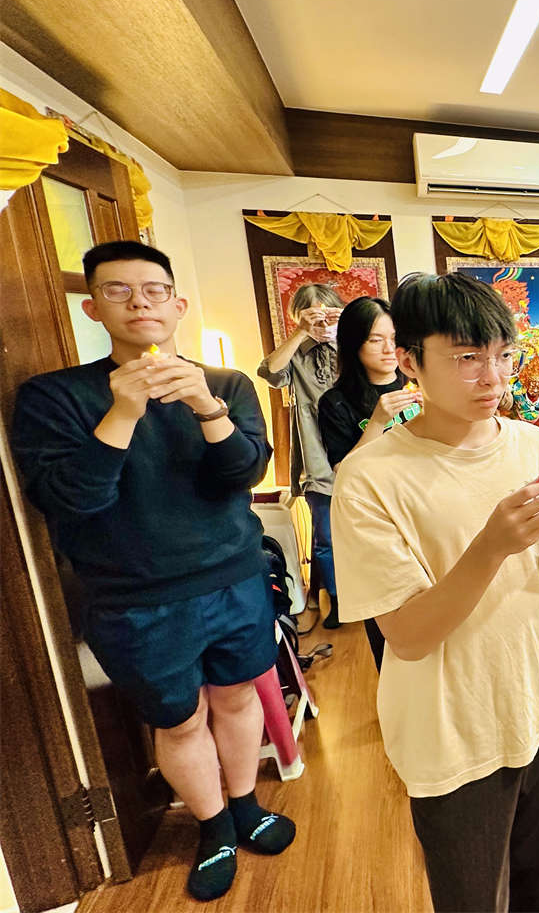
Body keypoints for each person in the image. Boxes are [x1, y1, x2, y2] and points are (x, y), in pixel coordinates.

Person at [12, 241, 295, 902]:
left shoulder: (226, 384)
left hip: (233, 577)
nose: (139, 302)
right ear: (93, 307)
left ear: (177, 304)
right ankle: (213, 828)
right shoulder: (54, 397)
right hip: (135, 599)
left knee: (238, 697)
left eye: (153, 290)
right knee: (179, 721)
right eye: (118, 290)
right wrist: (124, 410)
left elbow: (242, 473)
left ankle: (247, 806)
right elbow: (72, 499)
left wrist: (205, 404)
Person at [330, 273, 539, 912]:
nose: (492, 378)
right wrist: (490, 546)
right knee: (473, 899)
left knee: (531, 884)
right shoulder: (368, 478)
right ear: (410, 362)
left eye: (503, 355)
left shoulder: (530, 443)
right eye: (468, 358)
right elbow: (407, 636)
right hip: (452, 733)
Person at [318, 296, 421, 670]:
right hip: (376, 522)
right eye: (375, 340)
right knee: (391, 628)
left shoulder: (419, 386)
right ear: (353, 344)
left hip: (424, 511)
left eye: (393, 338)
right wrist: (377, 421)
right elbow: (345, 471)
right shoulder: (336, 403)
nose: (388, 349)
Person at [258, 283, 345, 627]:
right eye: (311, 315)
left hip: (358, 451)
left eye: (326, 313)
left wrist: (345, 327)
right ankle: (336, 600)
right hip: (316, 457)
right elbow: (270, 373)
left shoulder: (352, 346)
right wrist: (300, 333)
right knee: (325, 537)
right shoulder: (295, 352)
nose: (320, 321)